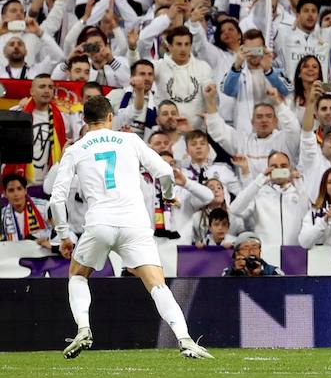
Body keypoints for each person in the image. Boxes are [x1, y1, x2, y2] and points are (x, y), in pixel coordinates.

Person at [48, 95, 212, 359]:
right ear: (110, 117)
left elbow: (57, 197)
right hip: (134, 223)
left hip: (99, 223)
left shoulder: (76, 149)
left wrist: (64, 235)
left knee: (78, 275)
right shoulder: (130, 140)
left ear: (84, 120)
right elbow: (165, 172)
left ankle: (83, 328)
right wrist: (169, 194)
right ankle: (185, 338)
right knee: (157, 284)